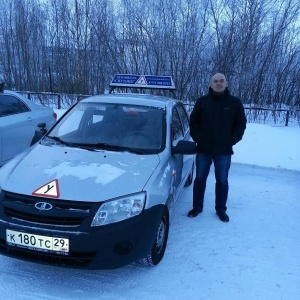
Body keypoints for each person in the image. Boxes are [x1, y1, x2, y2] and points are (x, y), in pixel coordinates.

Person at [188, 73, 246, 222]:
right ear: (211, 84)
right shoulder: (202, 102)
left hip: (224, 151)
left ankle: (221, 209)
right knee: (200, 179)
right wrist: (198, 139)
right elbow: (193, 121)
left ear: (226, 84)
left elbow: (241, 124)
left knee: (222, 181)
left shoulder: (234, 103)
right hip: (203, 149)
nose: (218, 83)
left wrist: (231, 140)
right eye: (215, 81)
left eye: (221, 81)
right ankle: (197, 207)